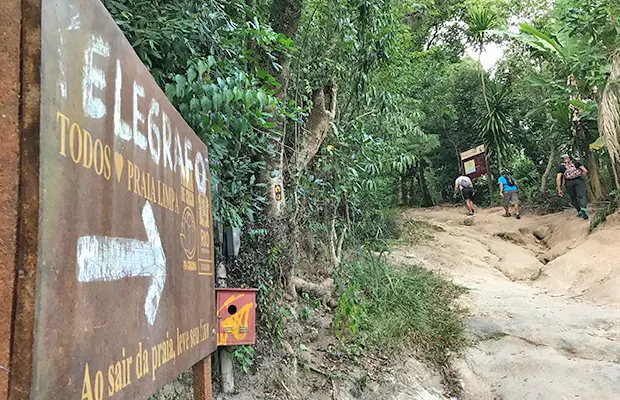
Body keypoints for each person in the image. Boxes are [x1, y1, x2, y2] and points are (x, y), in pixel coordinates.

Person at [556, 154, 589, 219]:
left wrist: (559, 189)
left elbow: (558, 179)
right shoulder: (576, 163)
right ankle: (583, 208)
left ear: (562, 160)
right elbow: (585, 171)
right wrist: (582, 177)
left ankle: (579, 211)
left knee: (573, 198)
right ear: (570, 158)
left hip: (569, 183)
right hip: (579, 181)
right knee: (582, 195)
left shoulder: (561, 167)